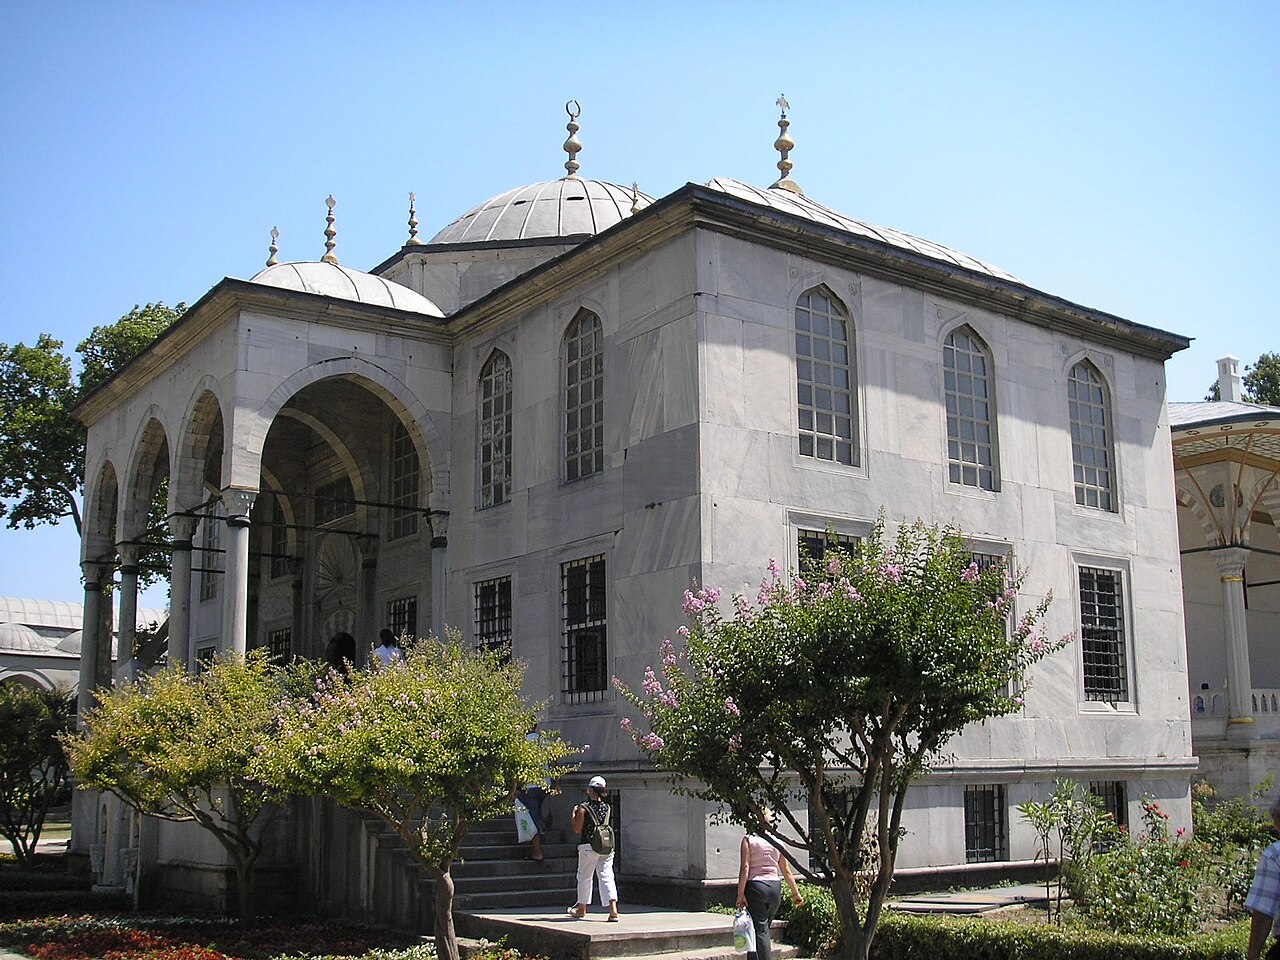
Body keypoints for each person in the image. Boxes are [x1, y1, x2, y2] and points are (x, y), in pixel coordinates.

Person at [735, 809, 803, 960]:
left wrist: (740, 894)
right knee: (761, 928)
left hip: (755, 887)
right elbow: (786, 870)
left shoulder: (748, 840)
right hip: (774, 888)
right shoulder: (778, 842)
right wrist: (796, 893)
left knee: (760, 930)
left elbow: (745, 867)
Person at [568, 775, 618, 921]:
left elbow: (577, 829)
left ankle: (582, 908)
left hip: (588, 846)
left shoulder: (583, 808)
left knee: (584, 877)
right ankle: (613, 909)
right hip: (606, 847)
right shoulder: (607, 807)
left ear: (590, 790)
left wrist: (573, 815)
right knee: (607, 876)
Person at [1246, 793, 1280, 960]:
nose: (1274, 826)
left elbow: (1263, 911)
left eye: (1275, 818)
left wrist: (1253, 955)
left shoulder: (1275, 855)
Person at [518, 721, 558, 862]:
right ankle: (538, 838)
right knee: (535, 812)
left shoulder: (521, 743)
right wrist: (556, 783)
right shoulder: (544, 741)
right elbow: (554, 763)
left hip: (528, 786)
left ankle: (537, 851)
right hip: (544, 785)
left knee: (532, 816)